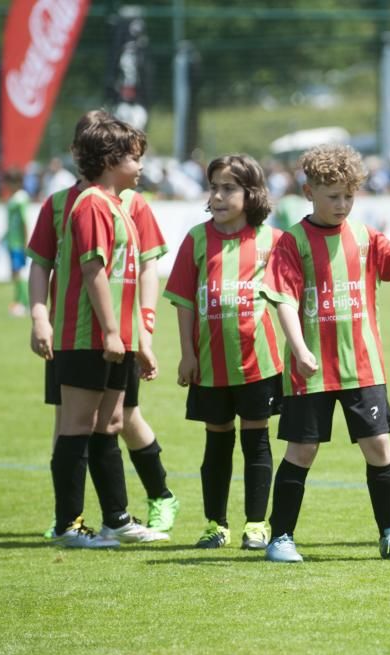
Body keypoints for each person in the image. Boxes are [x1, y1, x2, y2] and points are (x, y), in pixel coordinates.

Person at [256, 143, 390, 563]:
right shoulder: (293, 242)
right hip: (312, 369)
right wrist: (300, 348)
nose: (342, 205)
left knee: (379, 449)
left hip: (363, 368)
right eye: (332, 196)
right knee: (301, 452)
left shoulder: (365, 237)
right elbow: (282, 299)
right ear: (309, 193)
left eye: (348, 196)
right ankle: (280, 536)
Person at [28, 111, 181, 540]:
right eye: (135, 157)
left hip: (118, 336)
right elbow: (94, 270)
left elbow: (140, 271)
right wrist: (112, 331)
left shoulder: (121, 205)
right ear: (111, 160)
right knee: (75, 425)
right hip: (85, 336)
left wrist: (138, 335)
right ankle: (68, 524)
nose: (142, 165)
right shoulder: (92, 203)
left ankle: (116, 519)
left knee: (110, 423)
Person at [164, 153, 285, 550]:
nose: (217, 195)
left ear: (251, 192)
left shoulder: (272, 240)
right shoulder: (197, 239)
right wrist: (187, 354)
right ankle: (216, 524)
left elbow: (289, 298)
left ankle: (256, 524)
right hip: (210, 365)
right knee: (216, 444)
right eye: (213, 186)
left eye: (228, 187)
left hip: (259, 362)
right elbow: (183, 300)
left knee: (256, 442)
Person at [3, 168, 30, 317]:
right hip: (11, 241)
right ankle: (18, 301)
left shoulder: (21, 198)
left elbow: (24, 221)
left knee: (18, 272)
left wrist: (26, 241)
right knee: (15, 273)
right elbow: (11, 222)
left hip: (18, 242)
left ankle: (24, 303)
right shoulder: (13, 198)